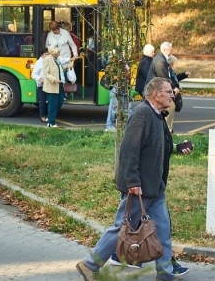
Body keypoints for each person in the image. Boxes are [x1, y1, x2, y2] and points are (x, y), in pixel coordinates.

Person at [76, 77, 179, 281]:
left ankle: (165, 275)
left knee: (163, 232)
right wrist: (132, 181)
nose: (172, 95)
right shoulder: (142, 114)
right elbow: (129, 149)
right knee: (120, 230)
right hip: (139, 188)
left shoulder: (157, 115)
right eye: (168, 91)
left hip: (154, 188)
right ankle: (89, 264)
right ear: (156, 94)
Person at [165, 55, 190, 133]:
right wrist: (174, 88)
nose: (173, 64)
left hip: (173, 92)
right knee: (170, 108)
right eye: (172, 63)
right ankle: (168, 129)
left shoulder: (171, 71)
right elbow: (170, 81)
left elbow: (175, 79)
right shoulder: (167, 71)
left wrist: (184, 75)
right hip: (170, 92)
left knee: (171, 108)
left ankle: (169, 128)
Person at [42, 45, 66, 128]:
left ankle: (49, 117)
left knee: (60, 101)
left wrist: (66, 68)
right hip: (52, 85)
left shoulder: (57, 59)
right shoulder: (47, 60)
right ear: (52, 53)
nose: (58, 54)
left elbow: (58, 70)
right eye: (57, 53)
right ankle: (51, 122)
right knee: (53, 104)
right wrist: (54, 79)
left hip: (59, 84)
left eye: (59, 52)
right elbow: (45, 73)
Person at [32, 48, 49, 123]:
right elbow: (33, 74)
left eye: (48, 54)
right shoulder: (39, 62)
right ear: (42, 55)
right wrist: (40, 79)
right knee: (42, 101)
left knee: (49, 101)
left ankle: (48, 116)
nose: (47, 56)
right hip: (41, 85)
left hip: (48, 84)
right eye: (45, 54)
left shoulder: (48, 61)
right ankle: (42, 116)